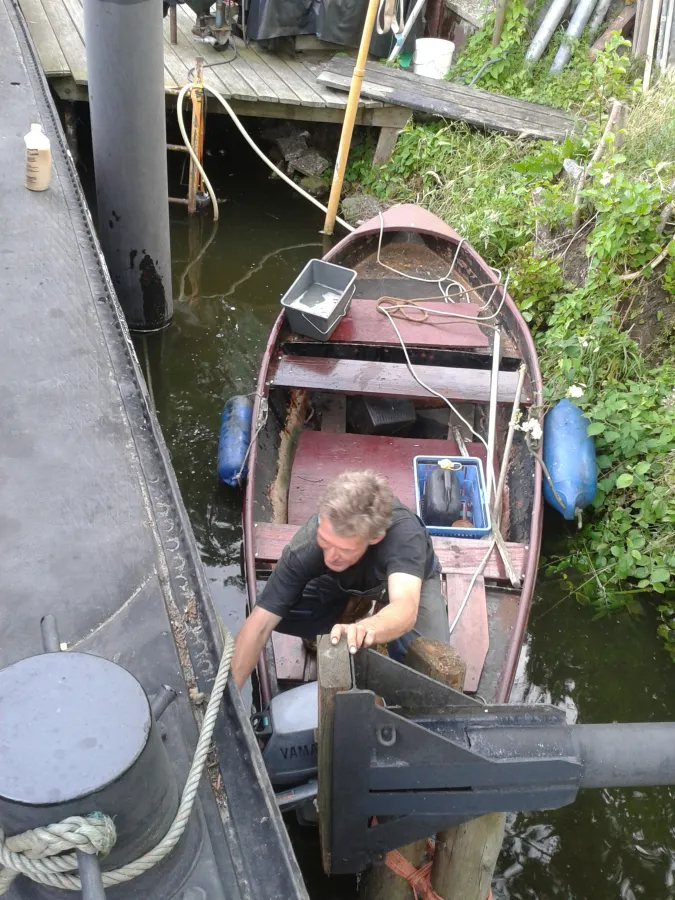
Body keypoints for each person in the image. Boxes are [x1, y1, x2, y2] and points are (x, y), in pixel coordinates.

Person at [231, 470, 450, 690]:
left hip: (409, 583)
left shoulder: (405, 536)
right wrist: (227, 702)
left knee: (425, 661)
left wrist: (366, 629)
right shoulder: (307, 546)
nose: (329, 556)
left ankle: (371, 614)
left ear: (375, 537)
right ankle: (349, 608)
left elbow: (405, 608)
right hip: (344, 581)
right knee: (281, 612)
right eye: (324, 542)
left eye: (343, 549)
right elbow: (259, 624)